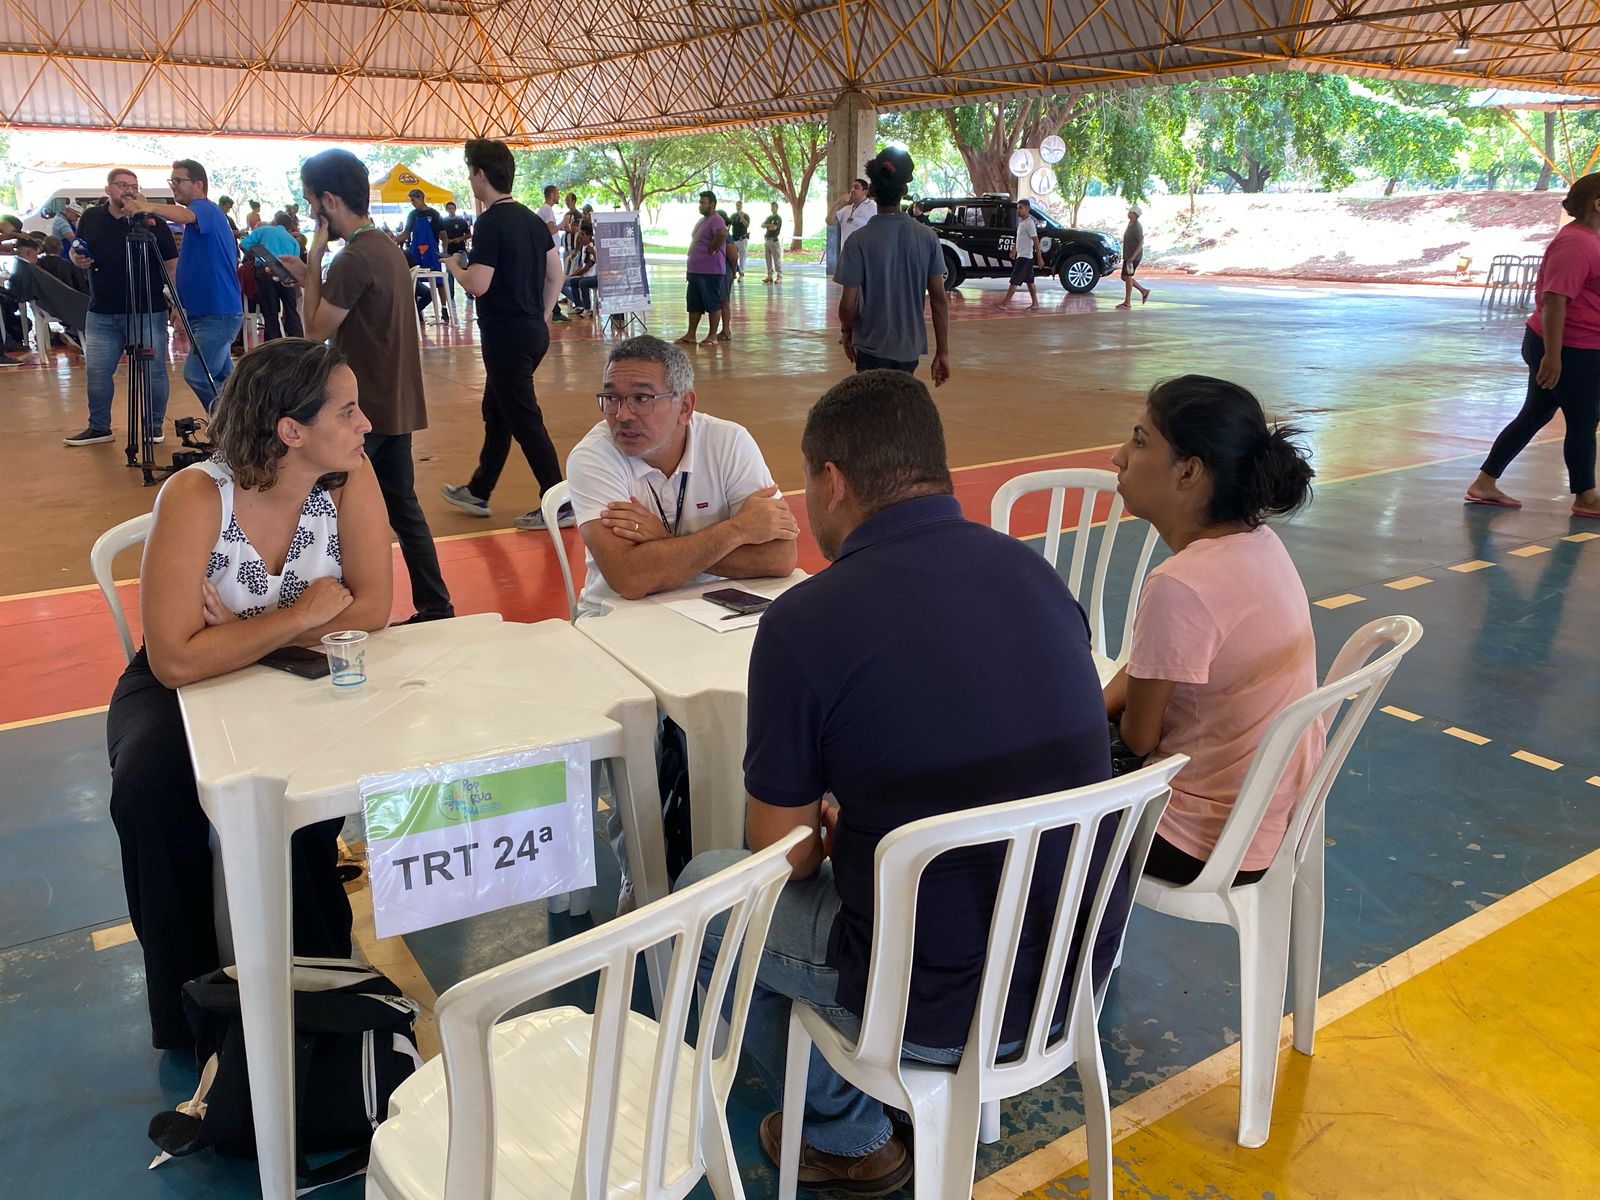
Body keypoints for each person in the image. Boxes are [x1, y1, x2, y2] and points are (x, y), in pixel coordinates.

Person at [675, 370, 1116, 1193]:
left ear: (832, 481)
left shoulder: (804, 622)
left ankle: (848, 1135)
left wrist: (829, 824)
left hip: (930, 1001)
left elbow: (783, 859)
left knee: (707, 895)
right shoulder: (1036, 575)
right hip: (1069, 972)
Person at [106, 338, 392, 1049]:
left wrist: (243, 631)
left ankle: (319, 989)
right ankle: (191, 1006)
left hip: (290, 670)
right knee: (147, 789)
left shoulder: (352, 479)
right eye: (348, 411)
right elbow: (174, 658)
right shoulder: (200, 494)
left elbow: (373, 609)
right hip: (184, 689)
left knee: (297, 804)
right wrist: (297, 617)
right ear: (291, 432)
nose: (365, 425)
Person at [1103, 375, 1321, 885]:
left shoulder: (1180, 585)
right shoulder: (1259, 543)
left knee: (1023, 800)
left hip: (1194, 838)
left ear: (1189, 472)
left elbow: (1138, 737)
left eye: (1139, 441)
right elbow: (1149, 667)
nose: (1119, 456)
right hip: (1263, 819)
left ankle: (1064, 956)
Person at [283, 148, 455, 624]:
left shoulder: (352, 258)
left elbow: (313, 332)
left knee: (327, 508)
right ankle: (436, 606)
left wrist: (314, 258)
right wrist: (314, 276)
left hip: (360, 412)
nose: (310, 211)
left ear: (329, 200)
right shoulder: (385, 249)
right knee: (404, 508)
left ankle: (342, 613)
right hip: (394, 402)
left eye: (311, 201)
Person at [566, 335, 797, 614]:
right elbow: (630, 577)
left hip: (713, 607)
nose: (622, 414)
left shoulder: (728, 442)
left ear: (685, 407)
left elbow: (780, 557)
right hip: (618, 615)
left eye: (641, 398)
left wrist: (663, 542)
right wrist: (738, 529)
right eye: (612, 398)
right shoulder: (594, 457)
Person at [441, 138, 572, 532]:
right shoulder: (533, 220)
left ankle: (560, 499)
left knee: (524, 418)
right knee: (498, 412)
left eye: (470, 171)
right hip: (532, 332)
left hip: (505, 335)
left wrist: (454, 267)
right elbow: (557, 274)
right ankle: (479, 489)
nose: (469, 178)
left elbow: (479, 284)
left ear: (481, 175)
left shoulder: (490, 222)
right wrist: (544, 314)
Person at [1467, 172, 1600, 519]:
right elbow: (1556, 299)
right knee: (1584, 420)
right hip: (1568, 348)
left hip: (1574, 347)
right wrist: (1553, 357)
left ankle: (1484, 483)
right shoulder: (1577, 244)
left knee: (1535, 414)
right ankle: (1586, 497)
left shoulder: (1590, 239)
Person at [65, 168, 178, 447]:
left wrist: (177, 302)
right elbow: (78, 248)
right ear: (108, 189)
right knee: (98, 372)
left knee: (152, 370)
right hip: (102, 309)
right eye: (122, 185)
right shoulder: (91, 218)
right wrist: (75, 257)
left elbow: (171, 265)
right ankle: (99, 426)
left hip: (147, 309)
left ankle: (152, 426)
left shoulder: (152, 222)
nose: (128, 190)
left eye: (133, 186)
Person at [134, 159, 244, 412]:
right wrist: (181, 308)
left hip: (217, 314)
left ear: (198, 184)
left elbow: (186, 214)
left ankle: (226, 425)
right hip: (204, 313)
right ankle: (243, 424)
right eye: (171, 181)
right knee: (227, 381)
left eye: (178, 181)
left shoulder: (205, 209)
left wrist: (146, 206)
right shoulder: (198, 221)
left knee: (197, 374)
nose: (174, 187)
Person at [835, 148, 951, 384]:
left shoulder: (858, 240)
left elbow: (848, 305)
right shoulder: (927, 237)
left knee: (873, 413)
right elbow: (939, 299)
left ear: (873, 191)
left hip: (869, 349)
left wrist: (847, 333)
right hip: (909, 351)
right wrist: (943, 351)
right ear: (904, 190)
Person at [239, 212, 305, 340]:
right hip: (287, 272)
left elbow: (244, 244)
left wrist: (259, 254)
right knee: (291, 309)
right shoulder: (293, 241)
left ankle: (274, 347)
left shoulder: (264, 229)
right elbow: (295, 261)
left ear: (274, 221)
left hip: (267, 268)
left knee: (270, 311)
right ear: (290, 228)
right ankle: (298, 343)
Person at [679, 191, 727, 346]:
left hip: (710, 271)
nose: (700, 205)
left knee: (712, 303)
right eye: (699, 202)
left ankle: (712, 336)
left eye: (703, 203)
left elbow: (722, 233)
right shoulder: (703, 220)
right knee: (694, 304)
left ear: (712, 204)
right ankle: (690, 334)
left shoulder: (716, 219)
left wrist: (714, 248)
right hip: (696, 270)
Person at [995, 197, 1044, 309]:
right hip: (1022, 255)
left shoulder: (1029, 223)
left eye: (1020, 208)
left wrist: (1039, 257)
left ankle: (1004, 304)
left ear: (1027, 209)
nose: (1018, 210)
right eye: (1018, 208)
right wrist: (1014, 249)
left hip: (1025, 257)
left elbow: (1036, 240)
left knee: (1014, 280)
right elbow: (1019, 238)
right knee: (1029, 281)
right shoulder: (1022, 223)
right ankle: (1035, 303)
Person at [826, 178, 875, 269]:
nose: (852, 190)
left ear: (865, 191)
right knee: (847, 283)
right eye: (852, 187)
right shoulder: (847, 209)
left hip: (864, 256)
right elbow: (830, 221)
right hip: (846, 255)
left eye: (856, 187)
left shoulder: (872, 207)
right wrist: (839, 201)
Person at [1117, 205, 1150, 308]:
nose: (1128, 213)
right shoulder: (1130, 224)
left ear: (1135, 215)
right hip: (1128, 255)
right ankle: (1143, 291)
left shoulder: (1137, 227)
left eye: (1130, 212)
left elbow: (1140, 243)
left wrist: (1132, 258)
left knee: (1128, 277)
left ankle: (1127, 302)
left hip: (1133, 257)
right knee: (1124, 277)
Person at [440, 200, 472, 305]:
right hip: (449, 250)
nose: (451, 210)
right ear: (446, 210)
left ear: (455, 209)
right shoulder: (443, 222)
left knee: (464, 270)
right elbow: (439, 235)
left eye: (452, 208)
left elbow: (468, 234)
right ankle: (451, 293)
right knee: (450, 273)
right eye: (449, 208)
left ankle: (468, 291)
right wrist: (446, 240)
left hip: (460, 249)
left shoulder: (461, 221)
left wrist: (459, 238)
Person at [562, 220, 597, 315]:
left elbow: (587, 267)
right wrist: (570, 275)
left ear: (589, 236)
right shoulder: (584, 247)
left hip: (594, 276)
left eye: (582, 235)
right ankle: (579, 305)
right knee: (573, 281)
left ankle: (587, 308)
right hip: (586, 275)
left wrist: (594, 253)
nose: (580, 237)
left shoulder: (593, 247)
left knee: (582, 282)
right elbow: (582, 266)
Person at [717, 210, 738, 342]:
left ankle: (726, 330)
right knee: (720, 300)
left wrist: (734, 271)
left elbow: (734, 256)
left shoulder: (726, 236)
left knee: (724, 301)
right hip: (719, 270)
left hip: (725, 271)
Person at [761, 201, 783, 283]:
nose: (772, 208)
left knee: (776, 259)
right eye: (771, 207)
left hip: (774, 240)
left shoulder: (778, 218)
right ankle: (769, 275)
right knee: (768, 259)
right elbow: (762, 225)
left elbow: (773, 228)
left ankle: (779, 276)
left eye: (773, 207)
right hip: (767, 240)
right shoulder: (769, 218)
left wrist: (768, 225)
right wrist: (768, 225)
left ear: (777, 208)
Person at [729, 200, 751, 280]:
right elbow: (729, 225)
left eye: (739, 206)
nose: (738, 207)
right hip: (734, 238)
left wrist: (741, 217)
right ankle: (733, 272)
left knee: (742, 257)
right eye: (737, 205)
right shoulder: (733, 216)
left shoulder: (745, 215)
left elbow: (747, 225)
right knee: (733, 256)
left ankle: (741, 274)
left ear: (742, 206)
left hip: (743, 239)